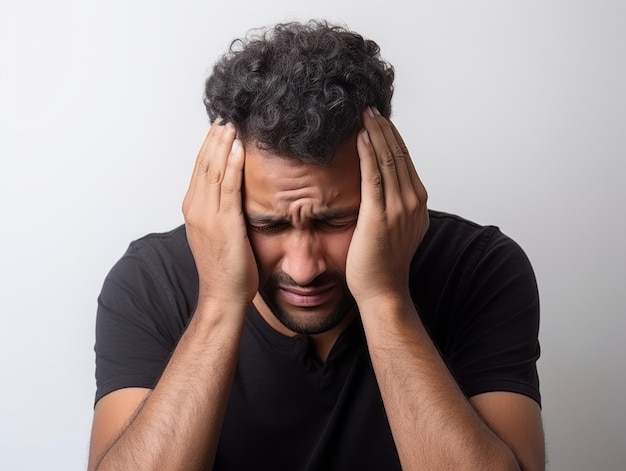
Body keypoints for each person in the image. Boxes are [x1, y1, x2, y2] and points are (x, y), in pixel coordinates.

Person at [88, 20, 545, 470]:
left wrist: (386, 300)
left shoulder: (479, 269)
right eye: (268, 226)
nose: (304, 268)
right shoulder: (149, 282)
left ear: (387, 188)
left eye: (334, 221)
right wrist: (218, 305)